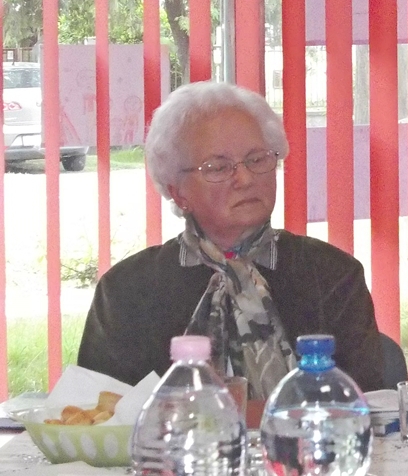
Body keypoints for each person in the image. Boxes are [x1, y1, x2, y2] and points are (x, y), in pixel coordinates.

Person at [78, 81, 385, 420]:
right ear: (177, 192)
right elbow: (99, 417)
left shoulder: (331, 274)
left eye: (257, 159)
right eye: (218, 167)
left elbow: (368, 406)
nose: (245, 179)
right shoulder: (127, 289)